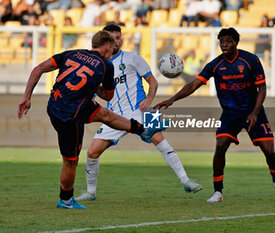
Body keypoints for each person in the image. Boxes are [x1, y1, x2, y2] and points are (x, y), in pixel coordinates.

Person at [17, 30, 164, 209]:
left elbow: (38, 69)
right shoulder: (108, 65)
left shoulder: (71, 53)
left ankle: (143, 130)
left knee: (106, 115)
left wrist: (26, 97)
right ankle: (65, 199)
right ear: (108, 46)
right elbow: (110, 96)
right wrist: (98, 87)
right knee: (71, 160)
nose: (114, 49)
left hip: (57, 103)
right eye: (114, 45)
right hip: (70, 114)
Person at [154, 27, 275, 203]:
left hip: (253, 112)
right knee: (221, 145)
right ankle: (218, 192)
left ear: (236, 43)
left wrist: (255, 112)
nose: (224, 45)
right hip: (230, 114)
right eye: (221, 42)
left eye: (228, 41)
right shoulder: (215, 64)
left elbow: (262, 88)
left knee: (269, 151)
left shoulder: (250, 60)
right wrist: (172, 99)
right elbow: (194, 84)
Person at [75, 24, 202, 202]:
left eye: (119, 37)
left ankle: (186, 181)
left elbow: (153, 82)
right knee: (92, 153)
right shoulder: (98, 65)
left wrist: (149, 99)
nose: (117, 41)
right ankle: (90, 192)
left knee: (159, 138)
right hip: (114, 115)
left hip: (141, 109)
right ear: (105, 41)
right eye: (113, 38)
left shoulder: (133, 57)